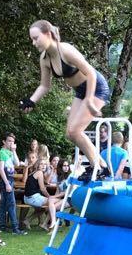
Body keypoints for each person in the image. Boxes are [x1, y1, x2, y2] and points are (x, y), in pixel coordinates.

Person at [21, 20, 111, 182]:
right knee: (70, 133)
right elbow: (44, 86)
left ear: (48, 34)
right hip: (80, 91)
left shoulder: (66, 50)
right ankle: (101, 165)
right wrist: (31, 101)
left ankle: (100, 168)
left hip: (96, 87)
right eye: (32, 40)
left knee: (76, 131)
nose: (34, 43)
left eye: (36, 38)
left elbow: (90, 72)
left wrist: (90, 100)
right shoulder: (45, 59)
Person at [0, 133, 26, 236]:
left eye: (13, 141)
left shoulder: (9, 152)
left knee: (4, 204)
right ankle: (15, 228)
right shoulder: (2, 153)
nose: (11, 143)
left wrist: (14, 150)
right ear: (4, 141)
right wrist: (7, 183)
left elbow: (17, 164)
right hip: (7, 180)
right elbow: (1, 169)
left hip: (10, 179)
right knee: (12, 204)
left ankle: (2, 226)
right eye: (9, 141)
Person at [23, 157, 62, 231]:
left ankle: (27, 220)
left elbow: (46, 182)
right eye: (41, 164)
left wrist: (52, 170)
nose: (44, 166)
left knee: (44, 208)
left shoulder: (34, 172)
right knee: (55, 202)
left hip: (27, 198)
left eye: (45, 164)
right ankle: (49, 224)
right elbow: (43, 189)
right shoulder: (39, 173)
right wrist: (50, 197)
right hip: (33, 198)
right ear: (37, 165)